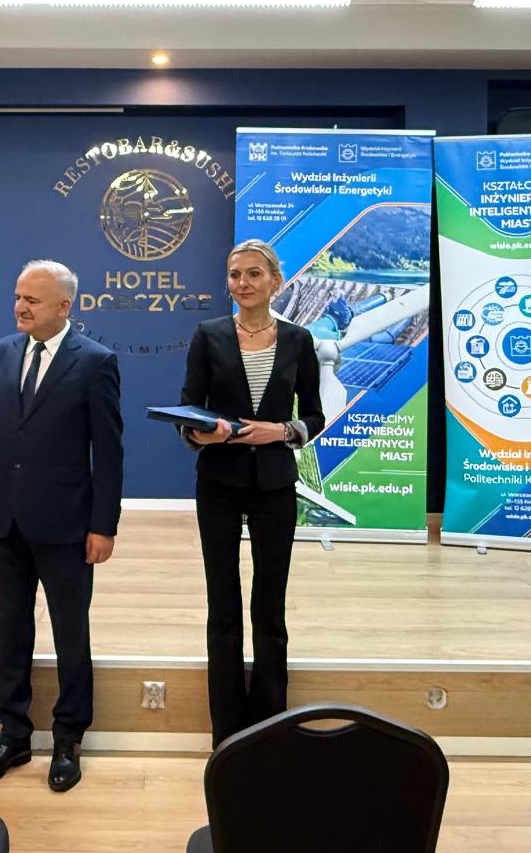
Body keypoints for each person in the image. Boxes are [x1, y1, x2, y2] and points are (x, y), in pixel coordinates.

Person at [0, 260, 123, 792]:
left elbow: (109, 454)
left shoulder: (95, 362)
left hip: (67, 525)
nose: (20, 306)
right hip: (5, 520)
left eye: (32, 299)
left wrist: (104, 526)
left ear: (64, 306)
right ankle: (12, 734)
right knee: (10, 628)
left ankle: (68, 737)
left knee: (69, 632)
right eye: (18, 296)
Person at [179, 238, 325, 746]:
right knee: (222, 605)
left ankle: (269, 727)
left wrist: (280, 432)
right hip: (218, 482)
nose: (242, 282)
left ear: (275, 281)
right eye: (235, 274)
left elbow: (314, 416)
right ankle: (226, 731)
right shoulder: (209, 335)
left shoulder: (299, 340)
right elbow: (189, 409)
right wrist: (200, 434)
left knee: (269, 606)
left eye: (253, 274)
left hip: (274, 485)